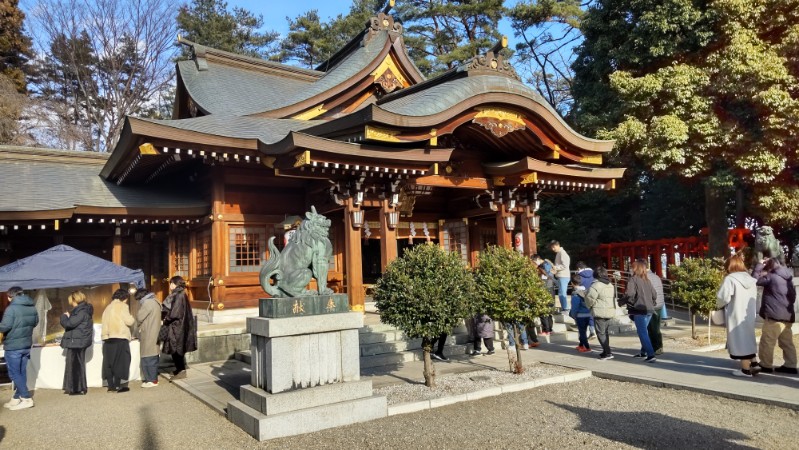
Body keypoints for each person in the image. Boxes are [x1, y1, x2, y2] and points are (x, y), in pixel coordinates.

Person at [716, 255, 758, 377]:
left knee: (740, 340)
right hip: (748, 314)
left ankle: (745, 370)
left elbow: (723, 297)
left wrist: (718, 305)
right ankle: (754, 363)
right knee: (748, 337)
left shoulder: (730, 279)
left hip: (735, 313)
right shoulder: (750, 278)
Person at [753, 258, 797, 375]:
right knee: (787, 342)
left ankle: (765, 365)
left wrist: (759, 265)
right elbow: (793, 297)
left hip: (774, 316)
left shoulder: (771, 276)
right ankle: (790, 365)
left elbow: (755, 281)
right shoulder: (788, 279)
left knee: (767, 341)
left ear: (770, 267)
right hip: (787, 316)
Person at [0, 286, 38, 410]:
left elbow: (4, 327)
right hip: (26, 344)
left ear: (10, 296)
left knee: (14, 373)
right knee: (21, 372)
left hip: (13, 346)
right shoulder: (32, 306)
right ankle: (16, 398)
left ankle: (26, 398)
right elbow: (35, 322)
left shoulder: (11, 309)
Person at [162, 276, 197, 379]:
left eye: (172, 283)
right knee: (176, 349)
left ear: (176, 284)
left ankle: (181, 370)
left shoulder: (178, 295)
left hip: (177, 327)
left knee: (177, 349)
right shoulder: (180, 294)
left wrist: (166, 320)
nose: (170, 285)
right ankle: (179, 369)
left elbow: (175, 313)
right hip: (179, 325)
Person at [623, 260, 658, 362]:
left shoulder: (632, 280)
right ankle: (644, 352)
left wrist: (627, 301)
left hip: (639, 310)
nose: (630, 269)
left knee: (642, 332)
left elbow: (629, 294)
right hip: (649, 309)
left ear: (635, 268)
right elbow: (654, 294)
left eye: (632, 267)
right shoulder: (647, 280)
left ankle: (651, 354)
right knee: (644, 331)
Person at [60, 290, 94, 395]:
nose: (71, 303)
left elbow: (69, 324)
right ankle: (72, 387)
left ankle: (77, 388)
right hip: (78, 340)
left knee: (75, 365)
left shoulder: (81, 311)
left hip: (77, 341)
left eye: (71, 301)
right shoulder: (83, 310)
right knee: (74, 365)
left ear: (75, 300)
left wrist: (64, 316)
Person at [101, 288, 135, 392]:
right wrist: (133, 317)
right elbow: (129, 321)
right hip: (120, 336)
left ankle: (110, 386)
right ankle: (118, 385)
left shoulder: (108, 307)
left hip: (108, 338)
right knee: (121, 362)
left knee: (109, 363)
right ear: (124, 298)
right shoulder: (122, 306)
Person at [586, 267, 617, 360]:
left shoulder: (596, 285)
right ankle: (605, 351)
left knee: (600, 333)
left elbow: (589, 298)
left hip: (600, 312)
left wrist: (589, 306)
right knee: (605, 333)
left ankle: (608, 352)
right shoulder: (610, 285)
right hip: (609, 310)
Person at [136, 289, 162, 387]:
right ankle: (154, 379)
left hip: (148, 333)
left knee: (147, 357)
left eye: (138, 299)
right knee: (154, 356)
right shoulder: (155, 301)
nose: (139, 301)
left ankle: (150, 380)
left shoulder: (147, 303)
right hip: (155, 332)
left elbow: (139, 317)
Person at [644, 261, 665, 355]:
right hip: (659, 304)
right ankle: (658, 346)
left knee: (652, 328)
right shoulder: (656, 276)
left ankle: (656, 347)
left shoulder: (645, 277)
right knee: (656, 327)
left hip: (652, 304)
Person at [532, 255, 555, 335]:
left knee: (543, 311)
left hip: (545, 290)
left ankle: (546, 330)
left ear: (537, 259)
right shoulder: (548, 265)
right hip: (551, 289)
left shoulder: (542, 268)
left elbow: (543, 280)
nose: (535, 264)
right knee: (549, 311)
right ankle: (550, 329)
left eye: (535, 262)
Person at [570, 274, 591, 353]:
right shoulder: (586, 291)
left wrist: (573, 315)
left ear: (572, 283)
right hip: (588, 314)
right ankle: (581, 345)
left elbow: (574, 307)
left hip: (580, 315)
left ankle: (587, 346)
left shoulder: (576, 294)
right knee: (584, 330)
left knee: (582, 332)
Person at [576, 262, 596, 339]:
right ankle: (592, 331)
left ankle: (583, 338)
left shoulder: (579, 276)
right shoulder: (594, 274)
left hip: (583, 296)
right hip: (594, 296)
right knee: (591, 313)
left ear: (578, 268)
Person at [550, 241, 571, 313]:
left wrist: (556, 268)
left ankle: (565, 308)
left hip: (563, 276)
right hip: (561, 275)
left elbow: (565, 265)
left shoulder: (562, 253)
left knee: (562, 293)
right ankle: (564, 308)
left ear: (558, 245)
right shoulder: (559, 253)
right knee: (561, 293)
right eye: (552, 247)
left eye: (554, 247)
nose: (553, 249)